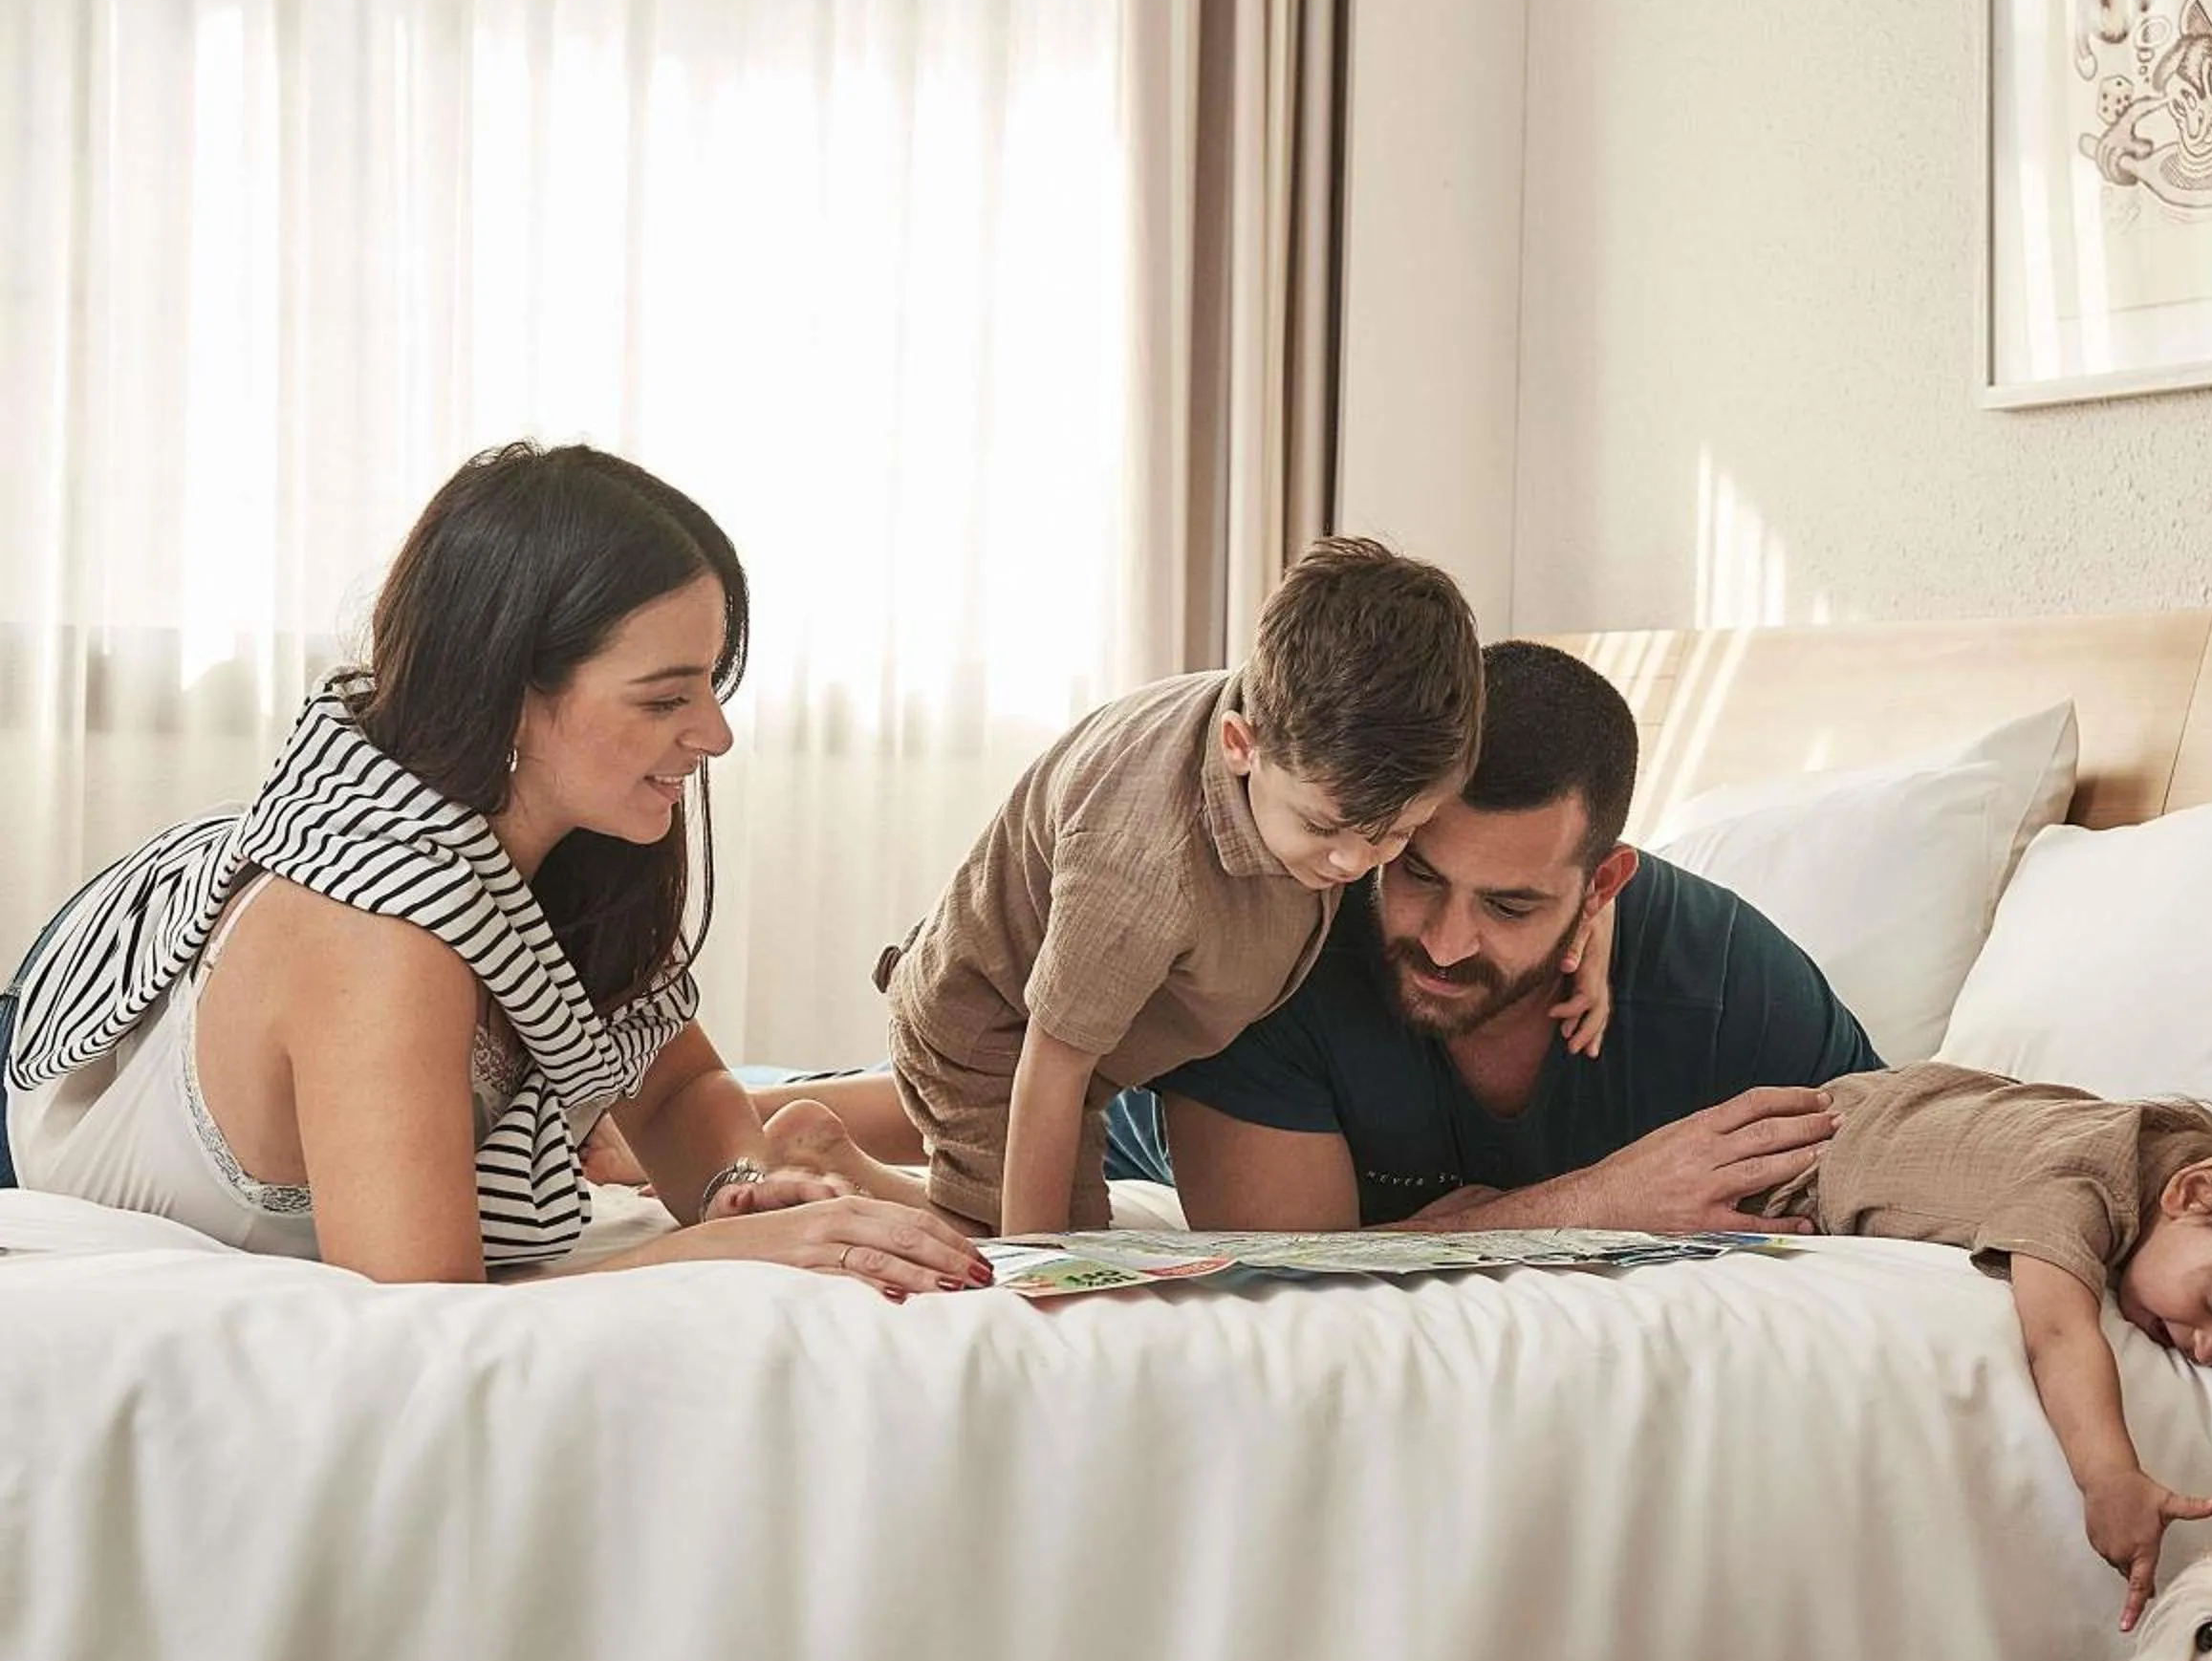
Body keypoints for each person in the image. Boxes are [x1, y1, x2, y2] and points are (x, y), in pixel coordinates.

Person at [1, 442, 986, 1298]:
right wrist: (736, 1251)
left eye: (712, 686)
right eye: (662, 699)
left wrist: (738, 1183)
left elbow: (679, 1090)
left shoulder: (579, 854)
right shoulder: (374, 933)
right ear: (510, 694)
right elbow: (424, 1304)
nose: (716, 734)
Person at [1105, 638, 1880, 1231]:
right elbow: (1281, 1278)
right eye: (1420, 874)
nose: (1444, 944)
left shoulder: (1721, 980)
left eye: (1510, 907)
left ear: (1602, 887)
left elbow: (1901, 1152)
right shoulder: (1276, 946)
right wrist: (1593, 1201)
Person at [872, 536, 1507, 1237]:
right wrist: (1039, 1277)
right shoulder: (1144, 871)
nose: (1353, 864)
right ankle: (833, 1175)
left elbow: (1531, 843)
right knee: (1047, 1247)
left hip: (1105, 1039)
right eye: (1324, 828)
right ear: (1242, 745)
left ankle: (815, 1138)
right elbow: (1052, 1068)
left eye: (1397, 835)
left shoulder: (1333, 721)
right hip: (998, 1032)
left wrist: (1591, 932)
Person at [1762, 1062, 2212, 1629]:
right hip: (1802, 1154)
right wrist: (2109, 1476)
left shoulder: (2165, 1152)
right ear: (2192, 1192)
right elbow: (2058, 1330)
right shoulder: (2085, 1184)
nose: (2209, 1351)